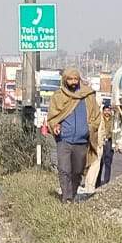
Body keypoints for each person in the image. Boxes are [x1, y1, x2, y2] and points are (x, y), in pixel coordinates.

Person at [45, 68, 103, 204]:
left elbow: (96, 116)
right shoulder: (58, 96)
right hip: (64, 141)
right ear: (65, 80)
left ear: (79, 80)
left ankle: (73, 193)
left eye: (75, 79)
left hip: (82, 141)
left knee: (77, 171)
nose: (73, 82)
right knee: (64, 170)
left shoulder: (87, 96)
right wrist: (55, 126)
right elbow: (52, 117)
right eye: (70, 79)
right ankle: (67, 198)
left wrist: (90, 128)